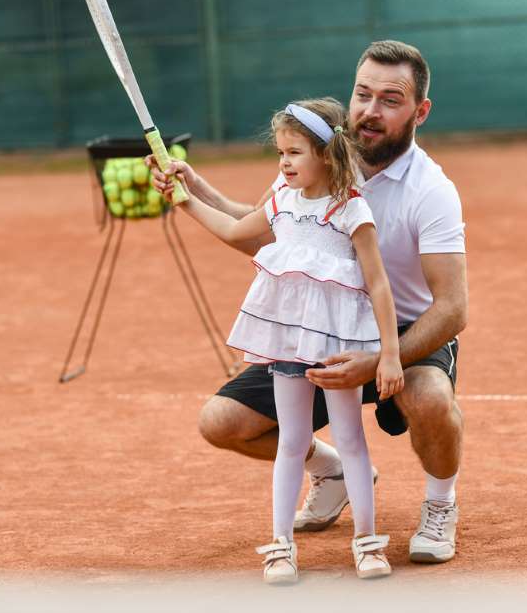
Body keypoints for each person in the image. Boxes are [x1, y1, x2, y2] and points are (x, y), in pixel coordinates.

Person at [151, 40, 467, 567]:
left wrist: (382, 358)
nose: (370, 110)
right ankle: (332, 471)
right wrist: (193, 188)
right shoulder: (314, 161)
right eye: (363, 94)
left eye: (391, 99)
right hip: (318, 328)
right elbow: (264, 231)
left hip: (399, 330)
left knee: (431, 398)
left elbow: (452, 308)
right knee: (221, 421)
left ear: (420, 112)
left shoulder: (430, 190)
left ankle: (440, 503)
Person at [168, 98, 403, 583]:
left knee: (351, 439)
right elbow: (234, 229)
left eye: (294, 153)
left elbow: (379, 284)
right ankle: (280, 547)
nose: (284, 163)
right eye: (280, 153)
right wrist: (185, 199)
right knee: (292, 442)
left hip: (340, 346)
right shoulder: (281, 203)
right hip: (288, 343)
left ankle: (367, 543)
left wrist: (389, 356)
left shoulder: (350, 208)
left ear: (326, 154)